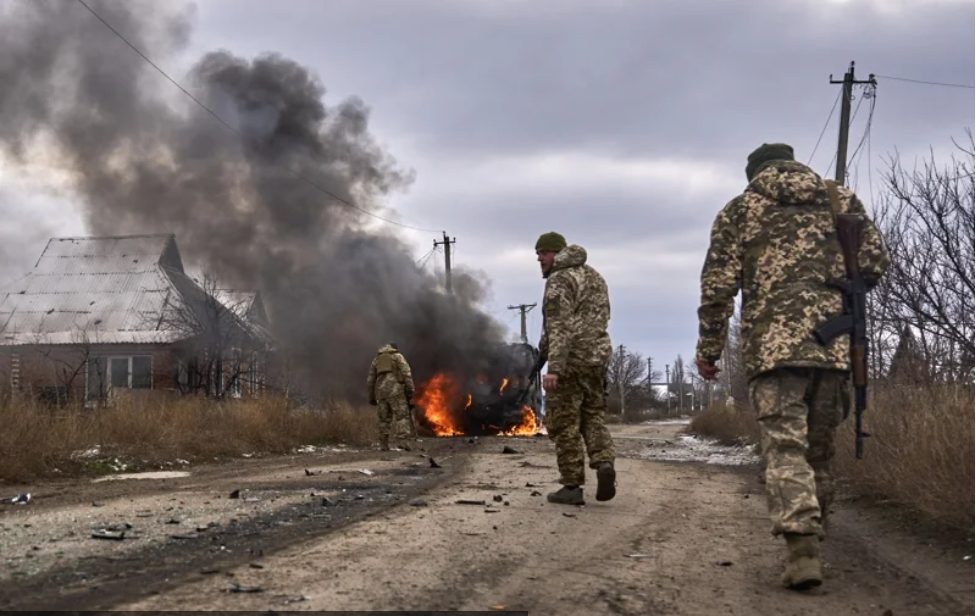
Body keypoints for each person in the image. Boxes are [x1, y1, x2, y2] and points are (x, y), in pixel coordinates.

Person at [695, 143, 888, 590]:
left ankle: (802, 550)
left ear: (754, 174)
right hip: (836, 349)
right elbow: (876, 263)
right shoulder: (839, 199)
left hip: (773, 353)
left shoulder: (740, 209)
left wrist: (709, 350)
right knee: (818, 452)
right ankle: (816, 538)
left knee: (784, 449)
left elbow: (718, 289)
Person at [535, 231, 616, 505]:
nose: (539, 259)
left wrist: (553, 367)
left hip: (570, 362)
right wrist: (540, 355)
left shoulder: (559, 280)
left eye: (543, 253)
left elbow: (559, 326)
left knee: (565, 424)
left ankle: (572, 486)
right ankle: (604, 463)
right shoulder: (594, 277)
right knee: (593, 416)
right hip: (597, 359)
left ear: (556, 253)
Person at [366, 342, 416, 451]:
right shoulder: (397, 356)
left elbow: (370, 380)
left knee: (383, 419)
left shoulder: (376, 359)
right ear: (394, 349)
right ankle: (403, 442)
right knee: (402, 416)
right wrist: (410, 391)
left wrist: (371, 397)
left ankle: (383, 445)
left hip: (381, 392)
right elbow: (407, 373)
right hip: (395, 391)